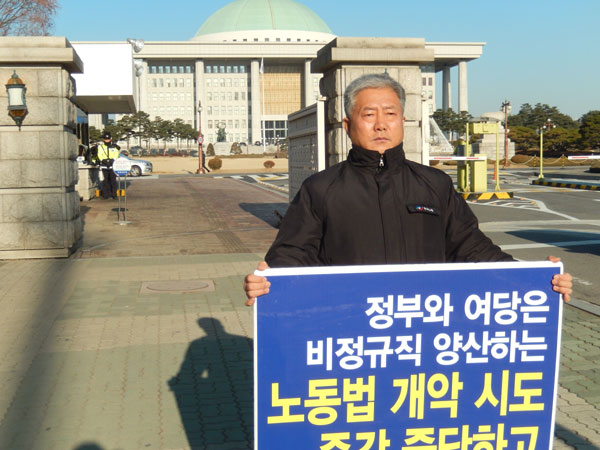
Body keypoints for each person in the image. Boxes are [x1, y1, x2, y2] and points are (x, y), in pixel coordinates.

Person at [243, 73, 572, 304]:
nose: (381, 124)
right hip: (348, 327)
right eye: (368, 114)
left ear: (403, 121)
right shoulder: (321, 189)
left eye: (390, 113)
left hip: (422, 329)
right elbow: (292, 256)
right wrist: (268, 283)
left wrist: (535, 279)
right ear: (347, 125)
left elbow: (473, 250)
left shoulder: (434, 184)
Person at [93, 132, 120, 199]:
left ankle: (114, 195)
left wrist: (113, 160)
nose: (107, 140)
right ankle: (105, 195)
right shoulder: (101, 147)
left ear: (110, 139)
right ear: (103, 139)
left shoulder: (114, 146)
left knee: (113, 181)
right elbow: (99, 154)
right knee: (105, 181)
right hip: (104, 165)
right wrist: (103, 160)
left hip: (112, 165)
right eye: (105, 139)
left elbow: (116, 154)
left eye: (108, 139)